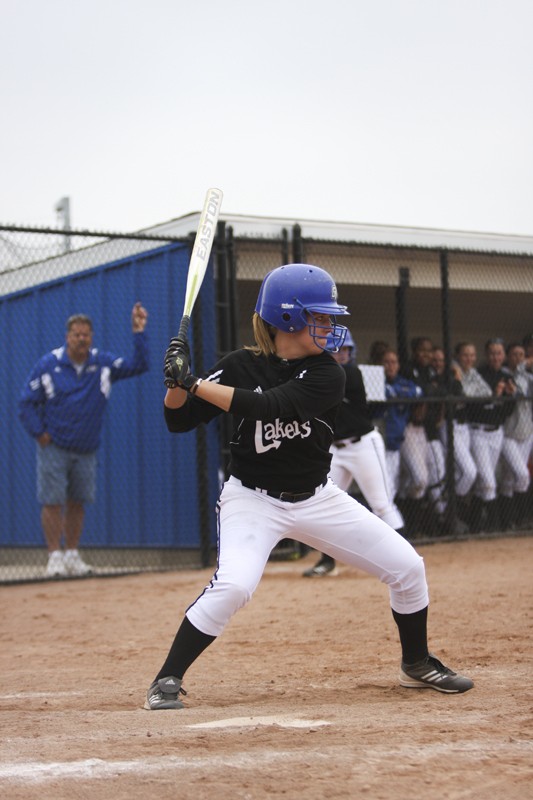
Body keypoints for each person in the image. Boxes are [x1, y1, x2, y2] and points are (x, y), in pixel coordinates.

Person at [144, 262, 473, 711]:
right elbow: (177, 419)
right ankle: (166, 678)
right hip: (251, 500)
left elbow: (271, 407)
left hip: (318, 498)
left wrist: (194, 382)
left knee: (408, 567)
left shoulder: (328, 373)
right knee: (236, 585)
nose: (331, 325)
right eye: (320, 316)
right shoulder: (240, 365)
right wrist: (175, 382)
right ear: (287, 319)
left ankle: (415, 663)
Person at [19, 303, 149, 577]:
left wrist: (139, 331)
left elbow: (139, 365)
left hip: (87, 448)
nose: (81, 339)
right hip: (54, 447)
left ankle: (72, 555)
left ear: (91, 337)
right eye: (76, 334)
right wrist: (40, 434)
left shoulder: (102, 363)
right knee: (52, 501)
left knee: (78, 502)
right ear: (67, 337)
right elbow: (26, 403)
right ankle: (54, 557)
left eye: (86, 334)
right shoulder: (48, 365)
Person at [302, 330, 405, 578]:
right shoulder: (322, 375)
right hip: (336, 450)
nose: (342, 354)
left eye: (345, 350)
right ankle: (327, 561)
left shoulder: (353, 374)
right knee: (323, 504)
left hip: (364, 446)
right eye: (337, 350)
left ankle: (404, 557)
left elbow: (326, 379)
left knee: (381, 504)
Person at [459, 339, 516, 532]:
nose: (496, 357)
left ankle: (475, 526)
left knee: (484, 484)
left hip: (496, 433)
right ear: (486, 354)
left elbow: (507, 411)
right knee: (489, 483)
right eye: (492, 353)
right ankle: (495, 527)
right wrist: (494, 394)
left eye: (499, 353)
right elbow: (473, 406)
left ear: (504, 355)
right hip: (479, 432)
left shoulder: (507, 375)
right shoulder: (479, 374)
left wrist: (508, 397)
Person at [433, 345, 477, 529]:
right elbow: (456, 398)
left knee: (459, 473)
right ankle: (450, 509)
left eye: (442, 360)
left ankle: (452, 513)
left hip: (463, 427)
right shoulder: (435, 379)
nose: (439, 364)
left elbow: (463, 399)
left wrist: (457, 378)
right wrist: (458, 380)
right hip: (448, 427)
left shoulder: (451, 377)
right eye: (435, 360)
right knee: (469, 472)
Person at [378, 348, 424, 507]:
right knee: (384, 488)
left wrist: (396, 393)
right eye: (386, 362)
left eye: (394, 362)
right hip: (379, 442)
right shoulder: (376, 381)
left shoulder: (403, 382)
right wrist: (400, 393)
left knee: (393, 486)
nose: (390, 366)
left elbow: (418, 392)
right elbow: (385, 392)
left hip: (395, 443)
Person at [498, 342, 533, 529]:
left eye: (522, 354)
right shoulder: (505, 375)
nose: (519, 358)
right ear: (508, 357)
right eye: (515, 354)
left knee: (510, 479)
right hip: (508, 434)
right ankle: (522, 517)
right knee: (522, 475)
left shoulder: (528, 376)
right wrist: (524, 364)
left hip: (527, 432)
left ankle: (508, 522)